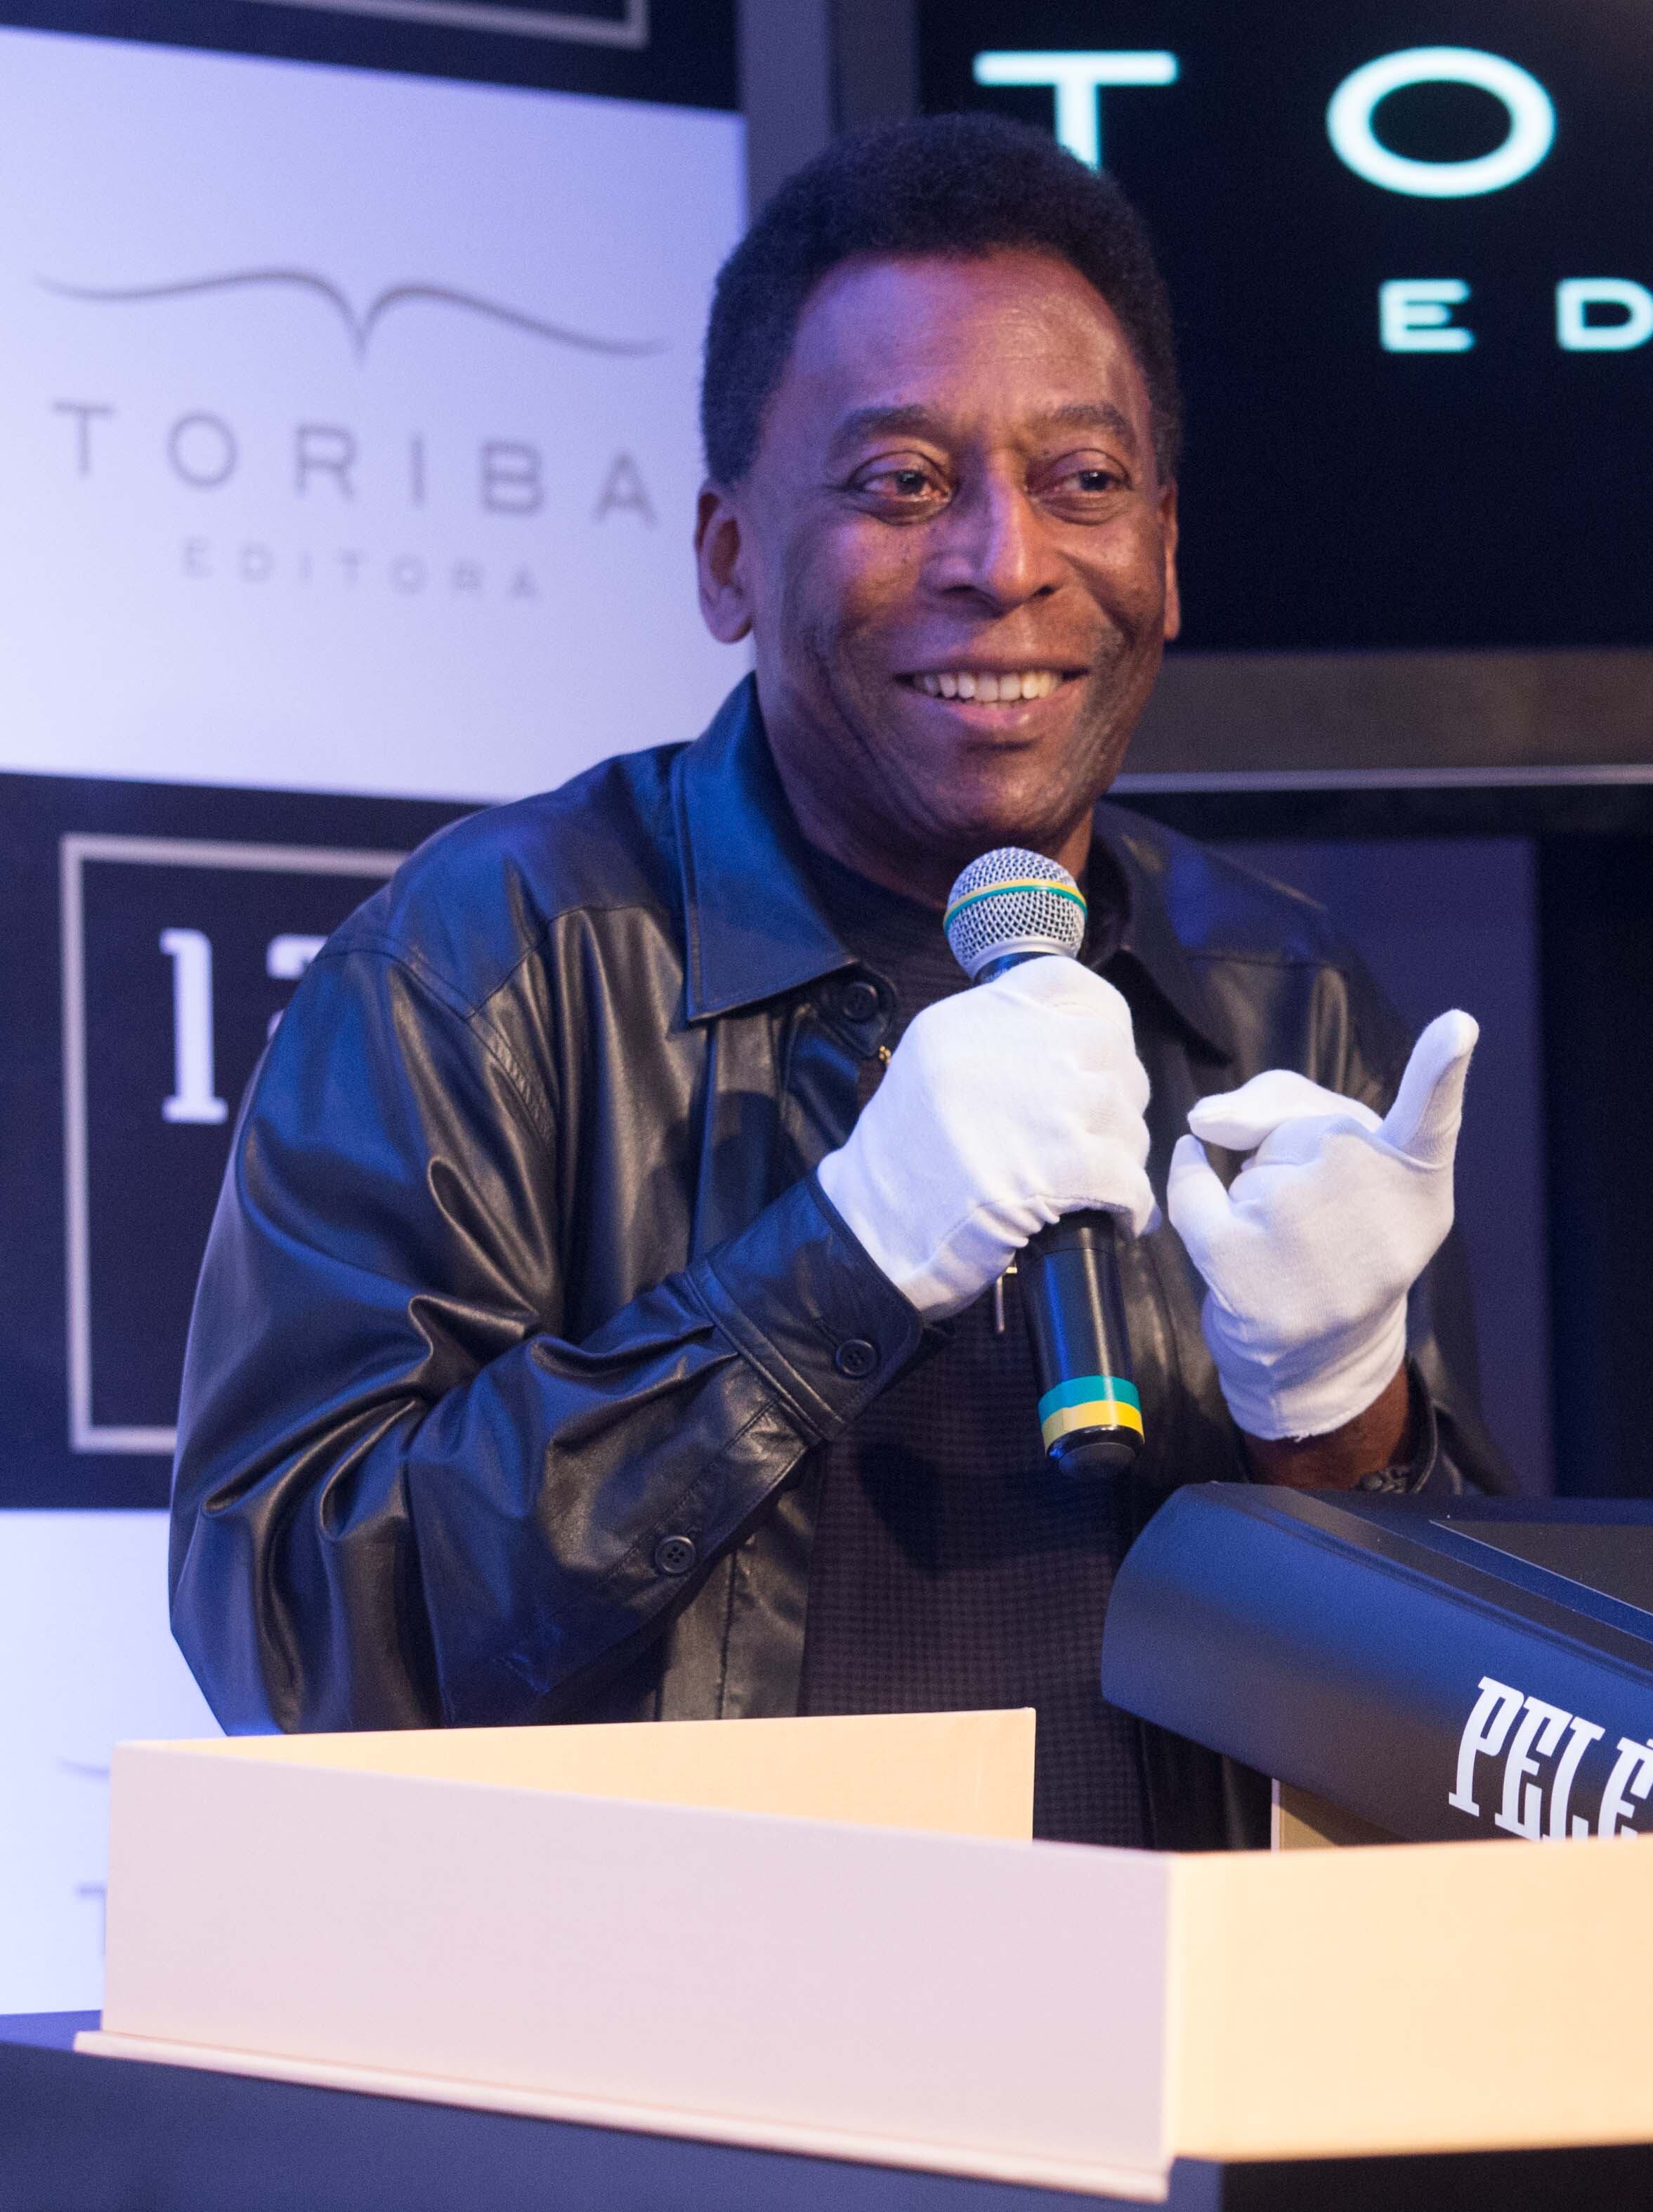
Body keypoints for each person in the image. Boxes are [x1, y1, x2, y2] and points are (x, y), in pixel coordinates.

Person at [166, 115, 1508, 1849]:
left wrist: (1338, 1424)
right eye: (901, 484)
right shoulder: (492, 962)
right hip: (696, 2006)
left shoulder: (1282, 991)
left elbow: (1484, 1740)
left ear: (1166, 553)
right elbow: (296, 1633)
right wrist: (839, 1264)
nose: (1004, 559)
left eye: (1083, 481)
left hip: (1188, 2006)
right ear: (728, 556)